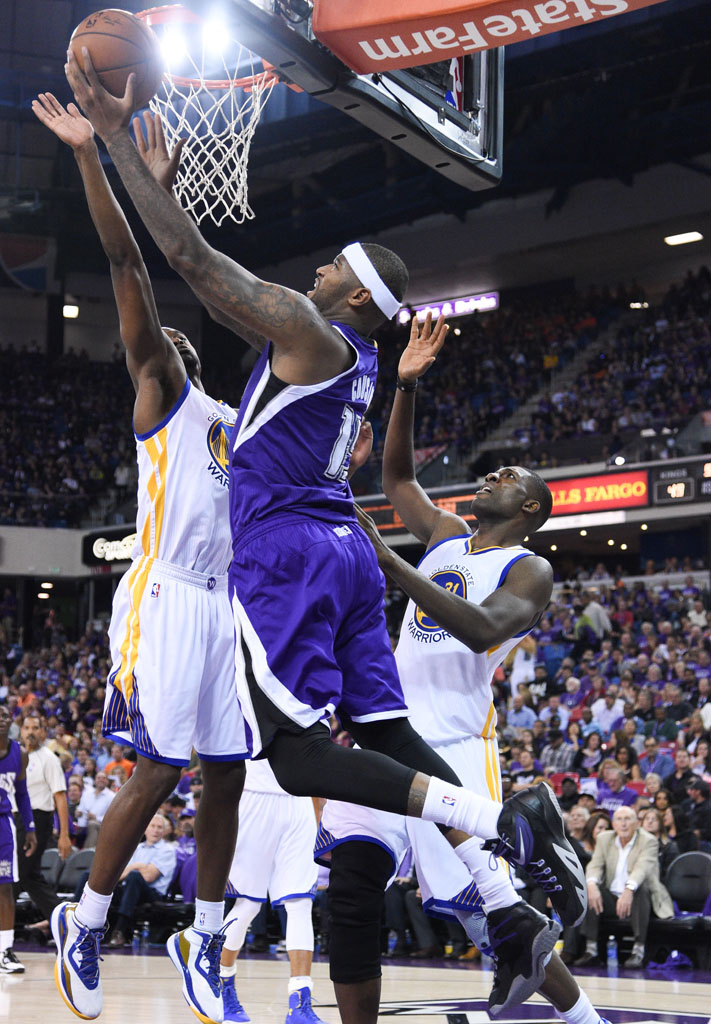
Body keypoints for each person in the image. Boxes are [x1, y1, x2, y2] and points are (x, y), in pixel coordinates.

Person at [65, 49, 588, 1016]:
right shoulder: (352, 372)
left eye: (328, 270)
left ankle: (502, 817)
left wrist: (111, 141)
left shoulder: (311, 331)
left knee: (298, 758)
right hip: (345, 554)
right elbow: (359, 472)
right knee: (383, 731)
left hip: (289, 556)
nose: (312, 269)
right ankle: (508, 907)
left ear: (350, 298)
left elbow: (186, 258)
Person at [32, 92, 248, 1023]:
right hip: (162, 594)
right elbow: (130, 261)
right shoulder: (161, 396)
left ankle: (202, 932)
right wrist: (98, 157)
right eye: (159, 336)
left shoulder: (235, 423)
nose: (169, 338)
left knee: (232, 766)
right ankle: (82, 918)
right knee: (160, 767)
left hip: (223, 604)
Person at [311, 337, 595, 1024]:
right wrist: (404, 386)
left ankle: (586, 1020)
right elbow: (399, 478)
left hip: (455, 748)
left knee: (493, 919)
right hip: (386, 737)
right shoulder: (443, 533)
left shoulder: (529, 569)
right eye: (494, 470)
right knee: (349, 891)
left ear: (530, 509)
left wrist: (390, 565)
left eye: (510, 476)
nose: (494, 475)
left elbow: (479, 627)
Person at [219, 759, 325, 1024]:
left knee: (301, 903)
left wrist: (319, 817)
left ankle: (300, 1003)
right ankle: (221, 986)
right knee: (248, 905)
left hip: (299, 798)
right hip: (255, 794)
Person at [575, 805, 673, 969]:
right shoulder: (604, 839)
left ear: (636, 823)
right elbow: (595, 865)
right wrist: (591, 884)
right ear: (613, 824)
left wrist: (629, 889)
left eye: (628, 819)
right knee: (590, 891)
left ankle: (638, 951)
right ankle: (591, 951)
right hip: (613, 898)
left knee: (640, 889)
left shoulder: (648, 840)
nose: (624, 824)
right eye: (619, 819)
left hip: (640, 897)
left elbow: (642, 869)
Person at [15, 713, 71, 925]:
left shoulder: (49, 759)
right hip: (15, 819)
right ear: (20, 731)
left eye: (35, 728)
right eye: (27, 728)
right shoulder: (15, 756)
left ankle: (4, 934)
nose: (30, 732)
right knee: (30, 878)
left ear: (43, 732)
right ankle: (65, 923)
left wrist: (64, 835)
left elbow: (60, 797)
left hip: (37, 821)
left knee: (13, 877)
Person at [0, 705, 37, 972]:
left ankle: (5, 950)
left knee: (5, 888)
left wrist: (31, 828)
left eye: (3, 715)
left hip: (4, 824)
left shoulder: (19, 754)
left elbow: (22, 794)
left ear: (10, 720)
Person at [75, 771, 114, 849]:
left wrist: (96, 818)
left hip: (101, 826)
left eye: (104, 778)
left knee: (92, 824)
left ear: (107, 781)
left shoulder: (112, 796)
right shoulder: (87, 793)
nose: (101, 780)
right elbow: (80, 809)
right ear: (95, 780)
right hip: (83, 824)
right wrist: (78, 813)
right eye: (98, 778)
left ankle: (88, 852)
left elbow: (112, 818)